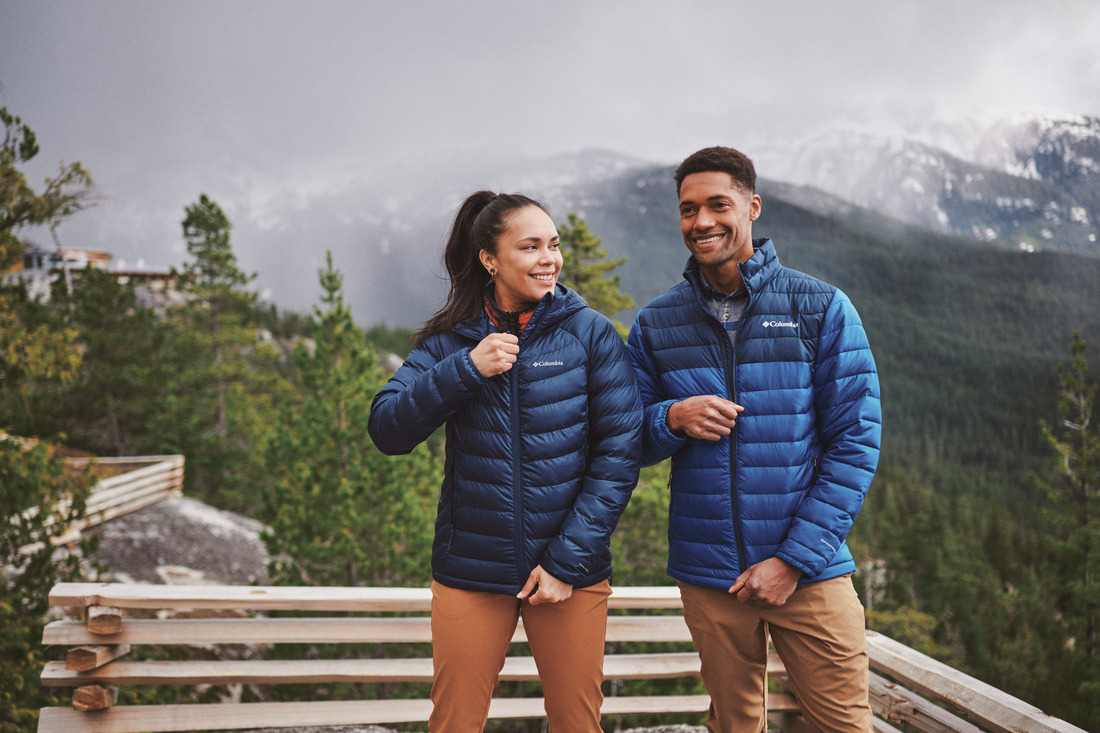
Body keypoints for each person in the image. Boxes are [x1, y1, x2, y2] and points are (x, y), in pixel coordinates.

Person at [626, 146, 882, 732]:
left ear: (753, 207)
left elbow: (856, 442)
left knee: (843, 724)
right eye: (688, 210)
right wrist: (671, 418)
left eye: (719, 205)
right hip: (709, 574)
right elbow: (625, 439)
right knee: (734, 726)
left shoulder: (819, 308)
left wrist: (791, 562)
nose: (702, 222)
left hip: (809, 573)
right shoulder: (657, 323)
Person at [368, 190, 642, 732]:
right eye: (531, 246)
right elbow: (388, 428)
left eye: (554, 245)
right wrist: (466, 369)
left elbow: (619, 453)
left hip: (570, 572)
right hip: (470, 569)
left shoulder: (589, 334)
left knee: (576, 723)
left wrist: (567, 562)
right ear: (489, 259)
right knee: (454, 723)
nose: (550, 258)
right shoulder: (452, 342)